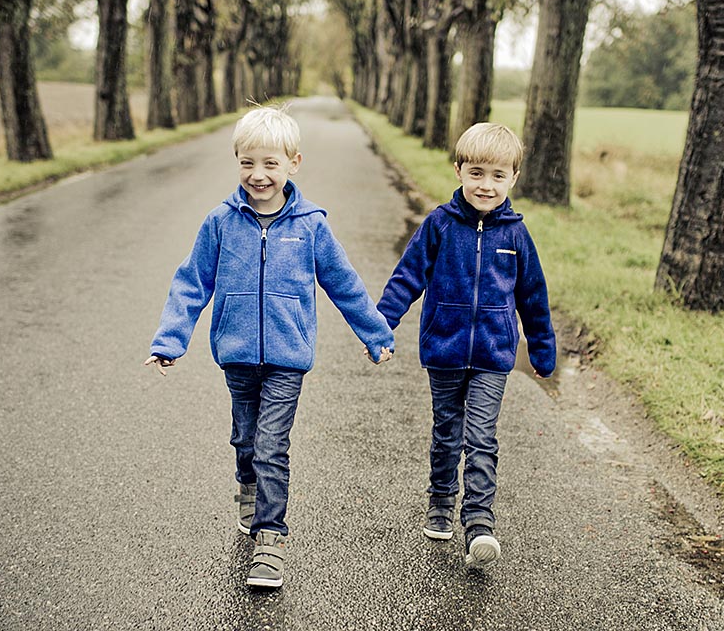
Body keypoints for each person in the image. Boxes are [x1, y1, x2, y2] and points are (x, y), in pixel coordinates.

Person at [144, 104, 395, 589]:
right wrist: (170, 340)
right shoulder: (220, 223)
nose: (258, 175)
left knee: (272, 446)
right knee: (246, 442)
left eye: (270, 164)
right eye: (247, 163)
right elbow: (191, 284)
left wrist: (375, 333)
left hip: (287, 359)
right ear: (237, 160)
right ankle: (248, 486)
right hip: (237, 356)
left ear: (293, 163)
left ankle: (270, 538)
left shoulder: (311, 226)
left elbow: (343, 284)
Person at [376, 122, 555, 568]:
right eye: (476, 173)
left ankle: (479, 522)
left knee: (481, 436)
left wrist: (541, 348)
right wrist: (381, 326)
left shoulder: (515, 236)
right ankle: (440, 502)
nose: (486, 185)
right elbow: (407, 278)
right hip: (444, 350)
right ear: (459, 170)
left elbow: (533, 296)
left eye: (497, 175)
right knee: (446, 432)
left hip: (494, 356)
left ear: (513, 178)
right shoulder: (439, 225)